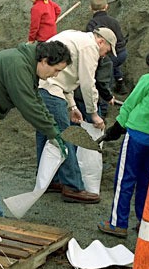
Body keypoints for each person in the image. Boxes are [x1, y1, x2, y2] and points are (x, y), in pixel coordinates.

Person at [0, 41, 71, 216]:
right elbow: (28, 105)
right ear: (45, 60)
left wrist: (52, 127)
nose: (55, 75)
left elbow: (35, 99)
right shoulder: (19, 67)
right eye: (56, 70)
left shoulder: (27, 62)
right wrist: (52, 133)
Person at [37, 28, 117, 204]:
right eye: (107, 50)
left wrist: (72, 105)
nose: (105, 55)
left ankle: (49, 179)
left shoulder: (77, 38)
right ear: (101, 42)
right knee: (65, 135)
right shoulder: (90, 47)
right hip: (51, 89)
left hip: (43, 85)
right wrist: (93, 113)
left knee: (45, 133)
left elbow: (67, 78)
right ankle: (73, 186)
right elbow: (88, 83)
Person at [97, 43, 149, 238]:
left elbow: (130, 103)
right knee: (145, 181)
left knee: (124, 179)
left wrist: (117, 127)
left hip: (136, 135)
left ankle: (117, 223)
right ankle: (144, 222)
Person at [86, 0, 129, 94]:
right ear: (106, 6)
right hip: (122, 53)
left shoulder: (92, 24)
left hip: (108, 55)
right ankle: (120, 83)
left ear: (90, 8)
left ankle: (106, 96)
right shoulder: (114, 21)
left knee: (105, 72)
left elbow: (91, 43)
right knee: (114, 64)